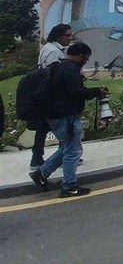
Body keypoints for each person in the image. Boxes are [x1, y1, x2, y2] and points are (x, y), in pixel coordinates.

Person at [29, 42, 107, 197]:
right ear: (80, 56)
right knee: (73, 151)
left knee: (67, 147)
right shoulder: (71, 70)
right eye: (86, 58)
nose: (86, 61)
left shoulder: (59, 66)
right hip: (65, 116)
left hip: (56, 115)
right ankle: (69, 186)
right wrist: (97, 92)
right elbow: (77, 92)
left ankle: (41, 174)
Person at [29, 24, 73, 172]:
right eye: (67, 35)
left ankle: (37, 158)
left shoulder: (47, 48)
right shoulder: (54, 52)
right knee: (64, 126)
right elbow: (54, 74)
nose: (70, 38)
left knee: (42, 128)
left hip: (44, 93)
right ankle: (66, 155)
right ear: (58, 36)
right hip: (53, 95)